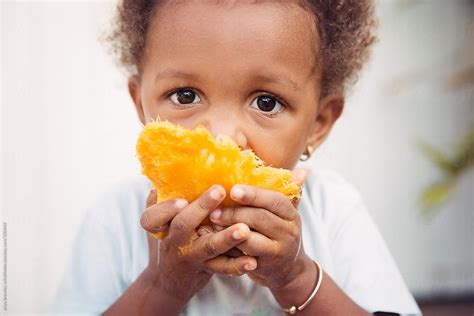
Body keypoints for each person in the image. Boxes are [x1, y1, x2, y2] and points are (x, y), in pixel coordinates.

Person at [51, 1, 421, 315]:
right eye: (185, 95)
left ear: (318, 124)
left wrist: (296, 278)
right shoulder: (116, 217)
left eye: (266, 102)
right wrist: (163, 286)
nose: (222, 137)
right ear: (142, 106)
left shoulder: (333, 209)